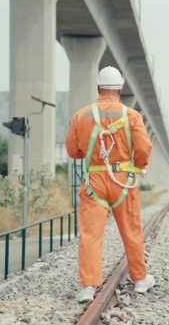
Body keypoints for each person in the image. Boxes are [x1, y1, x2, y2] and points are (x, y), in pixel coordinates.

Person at [66, 66, 155, 303]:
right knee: (131, 231)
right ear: (120, 89)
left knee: (90, 235)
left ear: (98, 88)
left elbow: (73, 151)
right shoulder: (131, 115)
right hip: (122, 181)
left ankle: (87, 286)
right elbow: (144, 148)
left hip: (94, 180)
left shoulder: (81, 116)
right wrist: (138, 164)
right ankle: (139, 279)